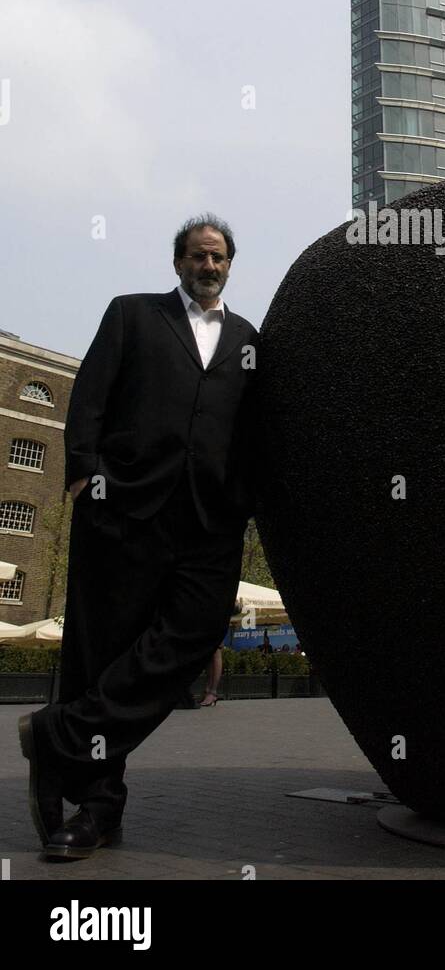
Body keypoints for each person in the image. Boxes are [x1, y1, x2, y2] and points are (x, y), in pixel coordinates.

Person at [18, 215, 259, 859]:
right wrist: (81, 479)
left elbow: (258, 429)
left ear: (230, 265)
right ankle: (96, 810)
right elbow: (89, 398)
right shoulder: (131, 315)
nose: (208, 266)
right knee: (104, 656)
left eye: (218, 258)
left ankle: (58, 735)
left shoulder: (248, 340)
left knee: (195, 635)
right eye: (198, 255)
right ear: (177, 261)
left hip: (209, 522)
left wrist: (247, 502)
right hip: (122, 512)